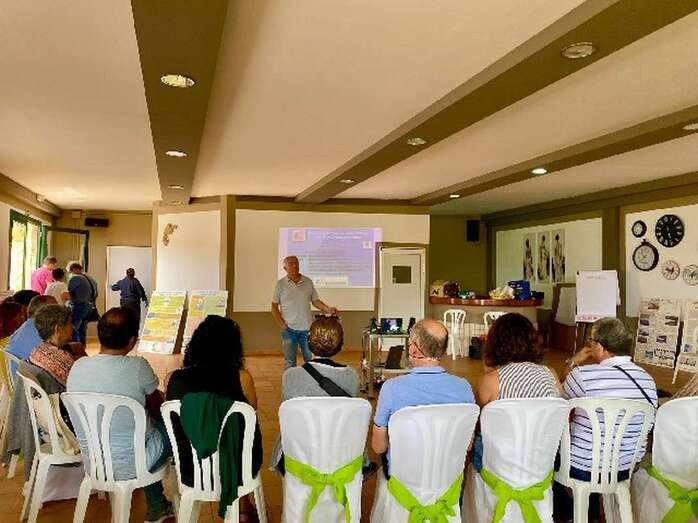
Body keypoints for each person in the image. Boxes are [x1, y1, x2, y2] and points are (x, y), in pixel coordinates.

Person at [67, 308, 173, 523]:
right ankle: (158, 504)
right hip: (137, 462)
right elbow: (158, 407)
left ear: (99, 335)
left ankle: (158, 505)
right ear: (132, 341)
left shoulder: (77, 366)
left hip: (94, 461)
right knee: (171, 426)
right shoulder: (138, 366)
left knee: (142, 435)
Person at [553, 317, 658, 522]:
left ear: (600, 347)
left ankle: (570, 515)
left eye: (591, 341)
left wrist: (573, 361)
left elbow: (560, 401)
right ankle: (593, 513)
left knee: (552, 451)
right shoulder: (647, 380)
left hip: (582, 467)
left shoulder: (582, 375)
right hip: (625, 467)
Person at [165, 315, 262, 523]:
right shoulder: (242, 378)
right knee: (241, 432)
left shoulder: (173, 379)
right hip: (239, 468)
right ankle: (243, 506)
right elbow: (251, 412)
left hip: (191, 468)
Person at [371, 320, 475, 468]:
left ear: (414, 350)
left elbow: (378, 447)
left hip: (402, 479)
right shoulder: (464, 388)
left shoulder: (391, 388)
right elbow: (467, 445)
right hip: (448, 477)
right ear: (444, 350)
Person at [472, 313, 562, 470]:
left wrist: (487, 366)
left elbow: (481, 419)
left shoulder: (491, 381)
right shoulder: (551, 374)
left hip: (500, 465)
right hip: (541, 462)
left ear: (495, 343)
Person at [270, 316, 359, 473]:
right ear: (340, 345)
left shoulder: (291, 376)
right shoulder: (351, 376)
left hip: (298, 455)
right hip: (339, 453)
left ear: (309, 342)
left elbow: (287, 416)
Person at [271, 255, 338, 369]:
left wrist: (328, 309)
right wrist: (281, 323)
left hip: (307, 329)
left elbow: (315, 301)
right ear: (285, 268)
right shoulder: (280, 284)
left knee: (310, 361)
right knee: (290, 362)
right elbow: (274, 306)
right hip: (289, 330)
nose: (295, 266)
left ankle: (311, 380)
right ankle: (291, 381)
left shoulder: (308, 282)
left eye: (296, 263)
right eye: (291, 264)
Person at [29, 304, 86, 386]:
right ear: (58, 329)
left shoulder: (37, 350)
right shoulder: (63, 360)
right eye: (69, 323)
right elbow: (81, 384)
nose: (72, 327)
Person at [5, 295, 57, 366]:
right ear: (45, 313)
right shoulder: (40, 333)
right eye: (55, 310)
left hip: (15, 371)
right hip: (26, 372)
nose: (59, 314)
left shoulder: (27, 327)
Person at [67, 263, 96, 345]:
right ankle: (82, 346)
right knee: (82, 329)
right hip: (87, 305)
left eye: (70, 271)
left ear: (75, 269)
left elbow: (68, 290)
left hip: (79, 305)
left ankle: (74, 347)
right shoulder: (88, 278)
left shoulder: (76, 278)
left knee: (74, 327)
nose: (70, 273)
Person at [0, 301, 27, 386]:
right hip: (18, 387)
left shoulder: (4, 342)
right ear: (10, 319)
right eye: (20, 315)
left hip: (8, 387)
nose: (24, 318)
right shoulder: (15, 342)